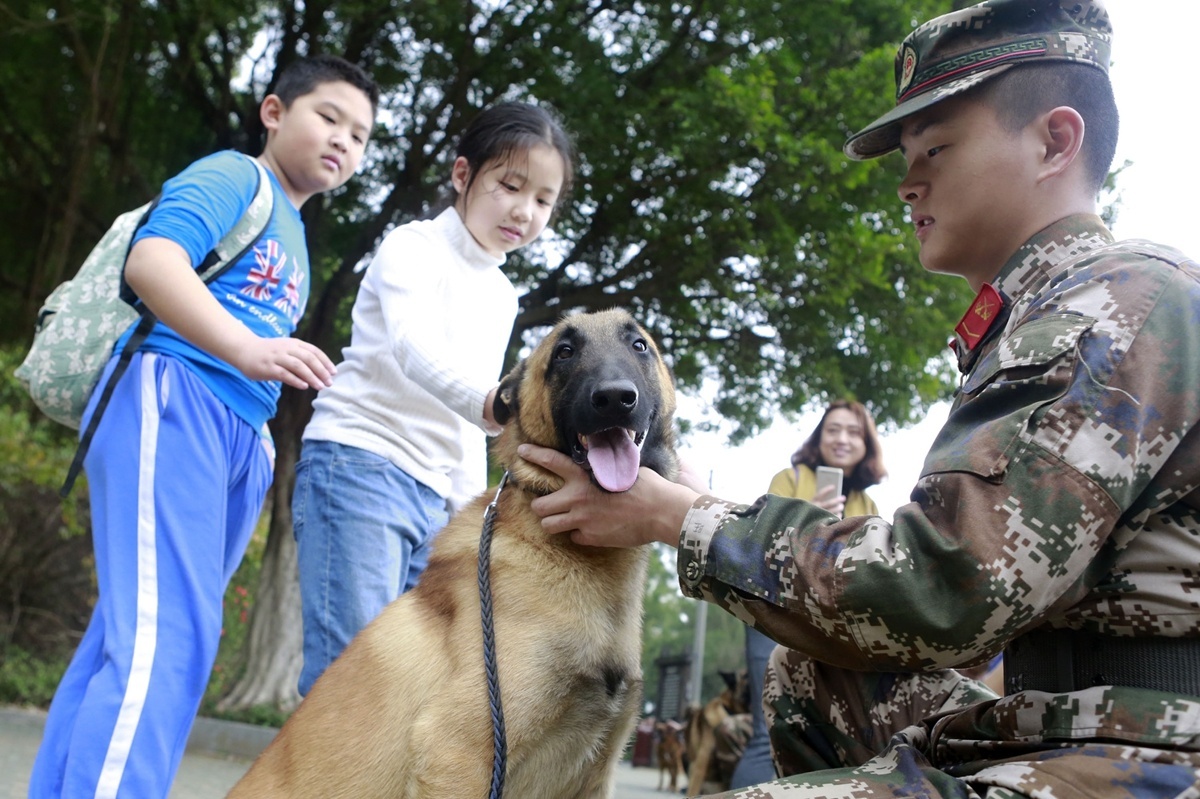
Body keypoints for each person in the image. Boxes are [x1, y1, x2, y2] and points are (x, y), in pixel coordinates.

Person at [519, 1, 1200, 796]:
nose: (908, 183)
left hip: (1151, 750)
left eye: (936, 149)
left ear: (1055, 140)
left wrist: (680, 516)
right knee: (812, 671)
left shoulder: (1114, 306)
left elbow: (947, 585)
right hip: (1067, 715)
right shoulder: (1057, 312)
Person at [28, 55, 378, 798]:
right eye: (329, 117)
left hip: (236, 435)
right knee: (166, 640)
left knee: (130, 638)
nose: (344, 140)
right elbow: (154, 261)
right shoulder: (234, 177)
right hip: (174, 396)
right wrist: (247, 349)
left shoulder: (299, 236)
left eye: (361, 134)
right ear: (275, 112)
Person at [292, 101, 576, 695]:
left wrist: (474, 514)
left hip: (435, 499)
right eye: (509, 185)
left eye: (544, 200)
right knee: (351, 678)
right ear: (462, 175)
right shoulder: (413, 246)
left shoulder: (501, 294)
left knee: (412, 684)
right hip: (359, 466)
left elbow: (465, 422)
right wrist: (502, 403)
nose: (524, 211)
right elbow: (411, 347)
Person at [730, 400, 887, 788]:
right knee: (767, 731)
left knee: (823, 732)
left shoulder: (867, 504)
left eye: (853, 432)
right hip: (773, 609)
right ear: (819, 438)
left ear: (866, 444)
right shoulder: (790, 478)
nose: (842, 439)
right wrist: (809, 514)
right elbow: (759, 542)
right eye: (833, 429)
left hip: (831, 621)